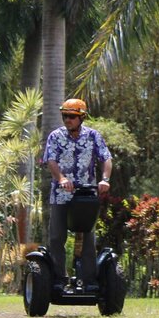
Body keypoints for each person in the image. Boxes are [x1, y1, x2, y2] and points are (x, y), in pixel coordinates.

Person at [44, 98, 112, 291]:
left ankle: (89, 281)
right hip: (61, 195)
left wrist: (105, 179)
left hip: (86, 195)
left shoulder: (93, 136)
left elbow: (106, 158)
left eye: (72, 116)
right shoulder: (55, 136)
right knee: (57, 237)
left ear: (81, 117)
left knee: (89, 237)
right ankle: (58, 280)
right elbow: (51, 160)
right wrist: (61, 178)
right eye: (65, 116)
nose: (68, 120)